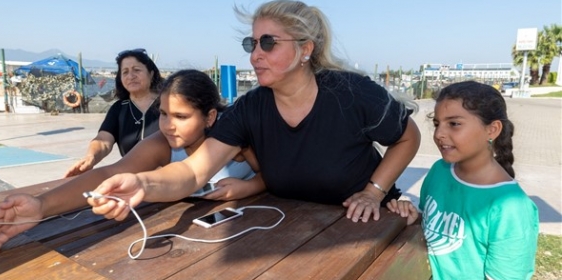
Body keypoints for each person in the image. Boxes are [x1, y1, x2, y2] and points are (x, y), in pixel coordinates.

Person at [84, 0, 421, 224]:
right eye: (252, 43)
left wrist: (374, 191)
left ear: (305, 50)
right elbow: (191, 173)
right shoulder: (251, 107)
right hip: (292, 224)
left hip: (364, 222)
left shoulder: (351, 94)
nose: (255, 56)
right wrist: (142, 183)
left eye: (269, 43)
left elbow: (408, 137)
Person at [0, 69, 264, 253]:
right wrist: (41, 205)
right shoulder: (164, 142)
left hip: (249, 232)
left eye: (181, 117)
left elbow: (277, 174)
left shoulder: (235, 138)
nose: (168, 125)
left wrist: (249, 188)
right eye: (163, 113)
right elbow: (112, 172)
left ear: (210, 117)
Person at [386, 81, 538, 280]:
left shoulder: (511, 209)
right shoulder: (440, 172)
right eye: (437, 123)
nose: (440, 134)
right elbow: (438, 227)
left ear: (492, 130)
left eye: (454, 124)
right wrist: (414, 217)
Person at [64, 49, 163, 177]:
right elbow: (103, 140)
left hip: (168, 178)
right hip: (131, 180)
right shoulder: (119, 109)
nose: (131, 76)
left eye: (137, 70)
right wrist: (91, 156)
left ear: (151, 73)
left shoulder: (168, 104)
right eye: (125, 72)